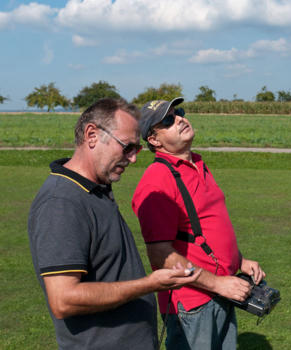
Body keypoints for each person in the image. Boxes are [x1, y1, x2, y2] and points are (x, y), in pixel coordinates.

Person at [28, 98, 201, 350]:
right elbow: (63, 299)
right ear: (92, 135)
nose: (132, 159)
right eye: (127, 147)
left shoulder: (95, 189)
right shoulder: (61, 202)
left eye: (137, 150)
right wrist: (150, 284)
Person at [132, 98, 266, 349]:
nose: (181, 119)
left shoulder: (197, 163)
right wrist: (218, 283)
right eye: (169, 120)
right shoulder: (156, 181)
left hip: (222, 291)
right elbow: (160, 255)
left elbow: (203, 229)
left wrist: (238, 261)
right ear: (154, 140)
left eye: (179, 112)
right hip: (192, 303)